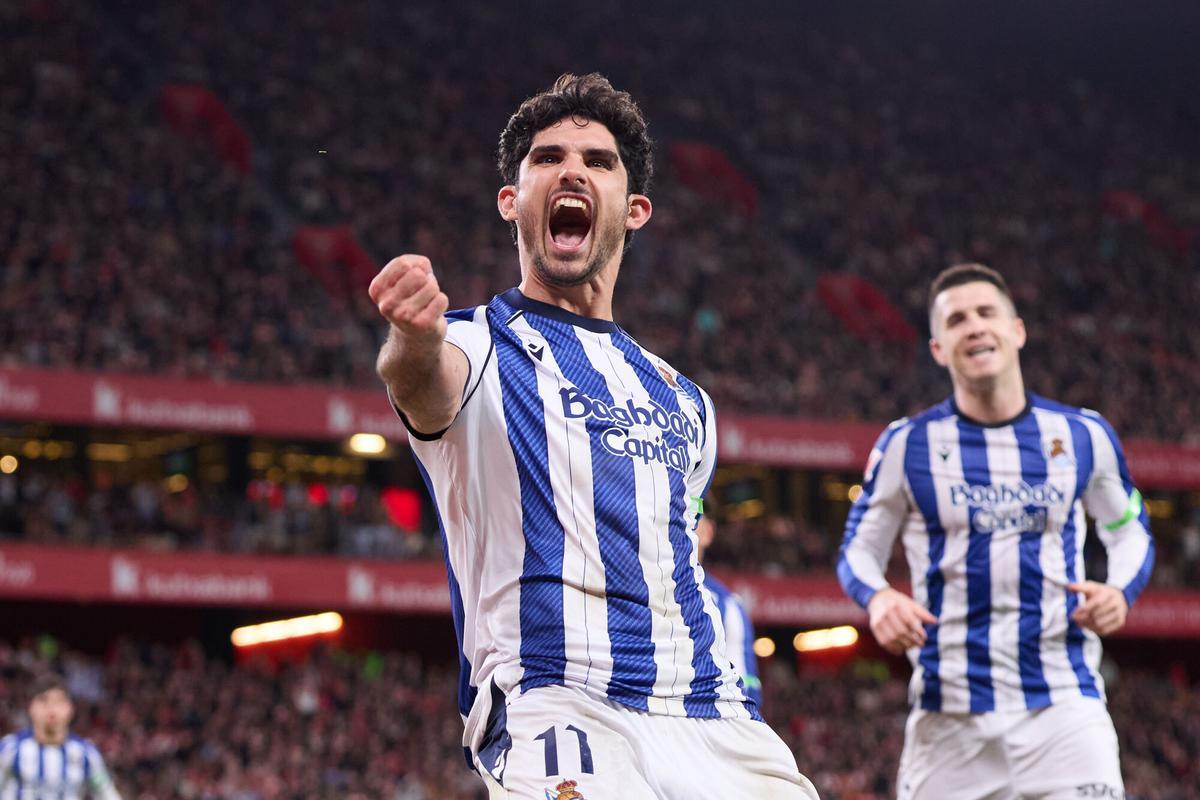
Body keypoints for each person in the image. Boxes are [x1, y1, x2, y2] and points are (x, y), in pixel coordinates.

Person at [371, 73, 818, 799]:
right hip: (558, 699)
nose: (571, 170)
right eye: (547, 158)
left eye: (598, 161)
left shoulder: (686, 400)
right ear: (511, 201)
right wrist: (412, 336)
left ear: (635, 209)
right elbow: (418, 381)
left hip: (713, 713)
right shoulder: (474, 347)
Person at [837, 263, 1154, 800]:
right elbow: (858, 550)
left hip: (1064, 711)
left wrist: (1121, 591)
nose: (975, 327)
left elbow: (1130, 530)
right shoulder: (906, 446)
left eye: (987, 313)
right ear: (938, 349)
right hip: (949, 718)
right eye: (957, 320)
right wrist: (879, 598)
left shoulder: (1083, 435)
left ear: (1017, 330)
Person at [0, 675, 122, 799]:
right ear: (31, 707)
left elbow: (107, 793)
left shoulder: (86, 753)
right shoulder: (9, 749)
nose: (51, 709)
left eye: (58, 702)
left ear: (70, 709)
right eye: (44, 701)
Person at [695, 515, 763, 707]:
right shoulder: (633, 590)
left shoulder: (727, 605)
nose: (683, 521)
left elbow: (747, 689)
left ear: (708, 531)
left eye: (693, 515)